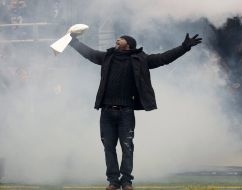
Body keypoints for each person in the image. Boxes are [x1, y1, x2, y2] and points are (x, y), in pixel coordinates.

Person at [69, 32, 202, 190]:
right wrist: (73, 42)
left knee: (127, 146)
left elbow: (163, 58)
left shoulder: (140, 59)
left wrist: (184, 47)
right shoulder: (108, 57)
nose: (117, 39)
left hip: (126, 111)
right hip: (106, 111)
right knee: (109, 147)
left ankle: (126, 181)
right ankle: (113, 181)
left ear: (129, 43)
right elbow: (89, 54)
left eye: (121, 38)